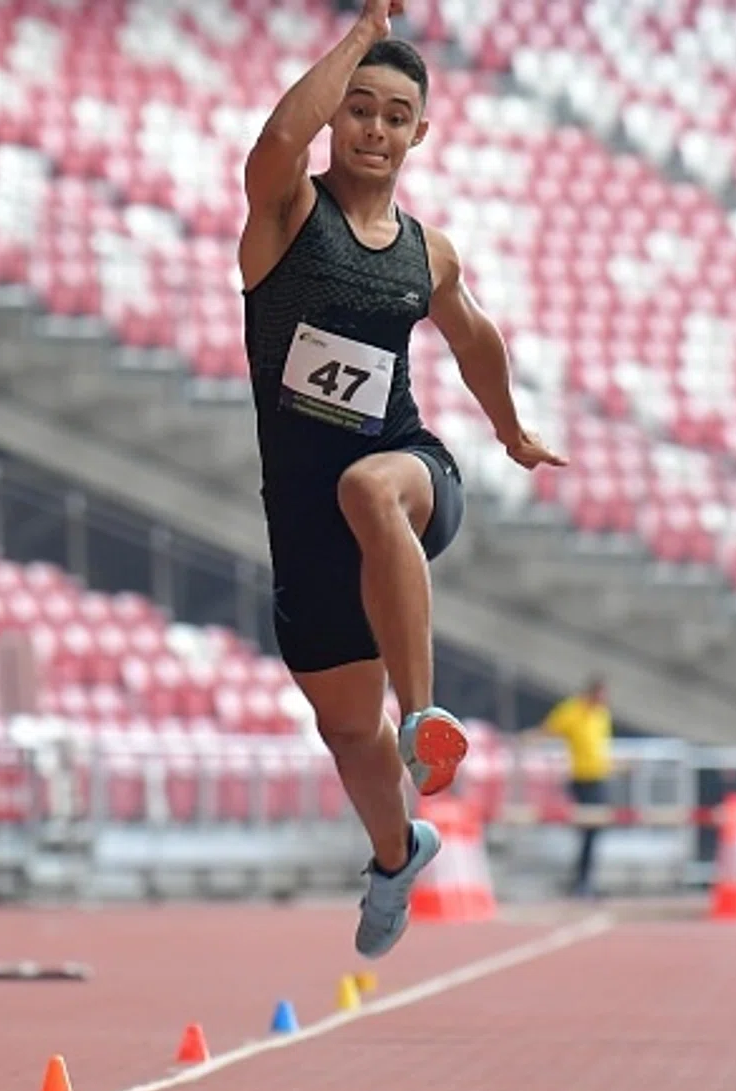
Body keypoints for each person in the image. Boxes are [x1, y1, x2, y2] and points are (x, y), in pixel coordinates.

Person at [238, 0, 567, 959]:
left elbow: (474, 337)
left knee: (371, 489)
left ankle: (424, 711)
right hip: (305, 528)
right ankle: (395, 854)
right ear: (339, 116)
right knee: (346, 733)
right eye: (360, 109)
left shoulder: (429, 255)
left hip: (411, 475)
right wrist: (355, 35)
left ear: (419, 133)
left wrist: (510, 432)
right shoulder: (287, 217)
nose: (374, 129)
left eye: (394, 115)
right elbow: (274, 140)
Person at [535, 676, 615, 898]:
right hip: (581, 778)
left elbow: (601, 746)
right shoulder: (572, 711)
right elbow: (549, 729)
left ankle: (585, 879)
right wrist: (532, 741)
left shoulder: (602, 715)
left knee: (594, 831)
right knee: (586, 828)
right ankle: (581, 880)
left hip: (599, 776)